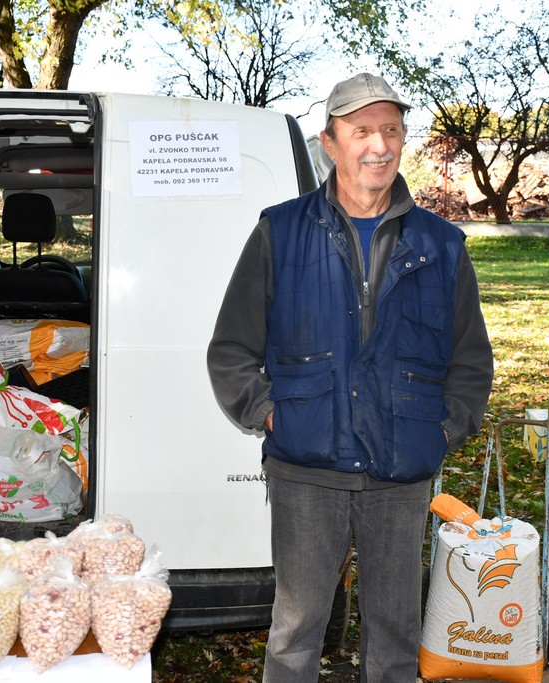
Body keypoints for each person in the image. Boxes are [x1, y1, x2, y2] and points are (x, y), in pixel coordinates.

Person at [207, 72, 494, 682]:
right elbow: (231, 347)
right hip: (306, 469)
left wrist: (441, 431)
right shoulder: (280, 232)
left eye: (391, 130)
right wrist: (267, 411)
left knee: (395, 633)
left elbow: (470, 361)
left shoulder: (442, 245)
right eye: (361, 130)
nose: (379, 145)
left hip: (402, 471)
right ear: (330, 144)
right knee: (296, 629)